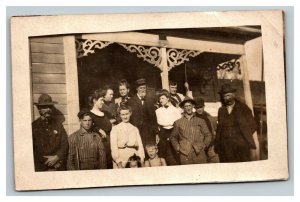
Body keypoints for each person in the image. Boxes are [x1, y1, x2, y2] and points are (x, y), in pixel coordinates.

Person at [215, 83, 257, 162]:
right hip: (226, 146)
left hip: (241, 146)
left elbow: (253, 125)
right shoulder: (221, 110)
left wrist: (243, 135)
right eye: (224, 96)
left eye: (228, 95)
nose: (227, 98)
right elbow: (219, 128)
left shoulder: (243, 108)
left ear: (233, 95)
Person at [32, 94, 69, 171]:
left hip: (58, 166)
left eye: (50, 107)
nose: (48, 109)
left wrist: (57, 157)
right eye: (45, 107)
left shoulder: (58, 125)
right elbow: (32, 150)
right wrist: (47, 161)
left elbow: (65, 144)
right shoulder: (34, 126)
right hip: (41, 167)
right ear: (39, 109)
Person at [170, 97, 212, 165]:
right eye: (186, 106)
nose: (188, 108)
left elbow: (208, 135)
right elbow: (173, 137)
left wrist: (204, 145)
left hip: (199, 153)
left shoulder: (200, 121)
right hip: (185, 154)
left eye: (190, 105)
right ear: (183, 108)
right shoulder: (178, 122)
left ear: (193, 106)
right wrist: (177, 148)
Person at [127, 78, 158, 147]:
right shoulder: (130, 102)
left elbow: (154, 118)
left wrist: (156, 133)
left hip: (149, 133)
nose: (143, 90)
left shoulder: (150, 101)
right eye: (141, 88)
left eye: (144, 88)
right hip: (137, 132)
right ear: (137, 89)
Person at [155, 89, 182, 165]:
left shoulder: (176, 110)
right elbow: (157, 124)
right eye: (159, 98)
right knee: (163, 151)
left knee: (175, 150)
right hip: (163, 132)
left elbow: (179, 123)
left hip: (173, 131)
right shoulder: (158, 111)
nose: (160, 100)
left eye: (162, 98)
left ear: (168, 98)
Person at [89, 89, 113, 169]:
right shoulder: (89, 114)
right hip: (98, 148)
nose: (103, 102)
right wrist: (98, 129)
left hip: (109, 146)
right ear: (94, 100)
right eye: (101, 100)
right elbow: (87, 125)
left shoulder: (105, 113)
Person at [194, 98, 219, 163]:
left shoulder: (209, 117)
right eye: (197, 108)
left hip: (211, 145)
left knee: (215, 163)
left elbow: (216, 130)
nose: (199, 109)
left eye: (201, 107)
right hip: (199, 147)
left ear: (204, 107)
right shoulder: (193, 119)